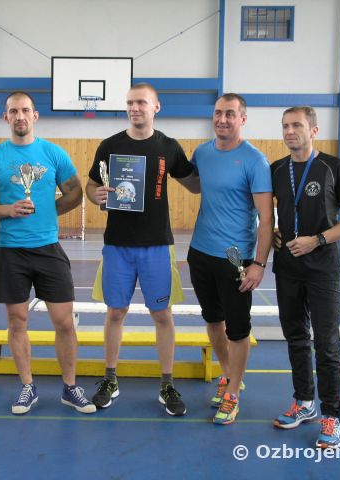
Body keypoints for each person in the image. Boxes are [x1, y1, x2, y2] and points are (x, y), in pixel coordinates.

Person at [0, 91, 96, 415]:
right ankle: (27, 386)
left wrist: (50, 211)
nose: (20, 116)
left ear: (35, 115)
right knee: (17, 321)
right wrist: (8, 210)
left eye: (25, 110)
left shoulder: (53, 153)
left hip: (48, 249)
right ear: (6, 117)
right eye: (13, 111)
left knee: (64, 322)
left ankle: (70, 387)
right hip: (11, 252)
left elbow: (75, 192)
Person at [86, 83, 199, 416]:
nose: (135, 108)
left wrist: (215, 161)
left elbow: (194, 184)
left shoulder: (169, 146)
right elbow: (92, 185)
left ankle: (167, 383)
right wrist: (96, 195)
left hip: (157, 245)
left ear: (156, 107)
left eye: (141, 103)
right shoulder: (110, 146)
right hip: (117, 245)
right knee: (115, 313)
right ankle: (110, 379)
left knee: (162, 315)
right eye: (130, 103)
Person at [271, 106, 340, 448]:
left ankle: (331, 415)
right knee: (296, 338)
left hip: (323, 270)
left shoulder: (333, 167)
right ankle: (304, 402)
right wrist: (274, 233)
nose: (290, 131)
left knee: (326, 344)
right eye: (285, 125)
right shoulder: (276, 169)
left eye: (297, 125)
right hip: (287, 268)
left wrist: (318, 239)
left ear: (313, 130)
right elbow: (267, 212)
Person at [187, 93, 273, 425]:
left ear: (242, 119)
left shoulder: (255, 161)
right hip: (200, 252)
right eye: (218, 113)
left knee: (237, 330)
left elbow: (266, 218)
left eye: (230, 114)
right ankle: (227, 376)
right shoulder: (202, 152)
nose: (222, 119)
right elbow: (195, 186)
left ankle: (233, 393)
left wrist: (259, 264)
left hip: (236, 259)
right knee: (213, 321)